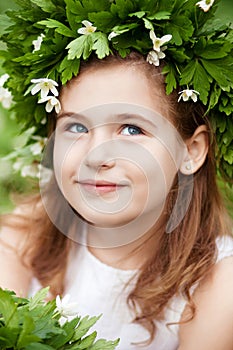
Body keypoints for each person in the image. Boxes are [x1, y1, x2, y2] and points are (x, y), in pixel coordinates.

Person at [0, 1, 233, 349]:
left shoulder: (217, 284)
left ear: (191, 151)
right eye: (76, 126)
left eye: (131, 129)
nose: (95, 157)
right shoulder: (20, 242)